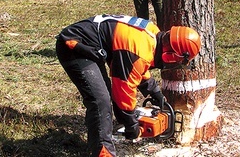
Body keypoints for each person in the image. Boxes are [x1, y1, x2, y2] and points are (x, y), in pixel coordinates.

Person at [55, 14, 201, 157]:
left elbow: (138, 66)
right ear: (172, 54)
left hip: (91, 44)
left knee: (103, 95)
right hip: (75, 45)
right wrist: (131, 124)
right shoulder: (137, 50)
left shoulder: (152, 33)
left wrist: (153, 90)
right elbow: (122, 90)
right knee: (100, 101)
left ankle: (96, 141)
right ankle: (103, 153)